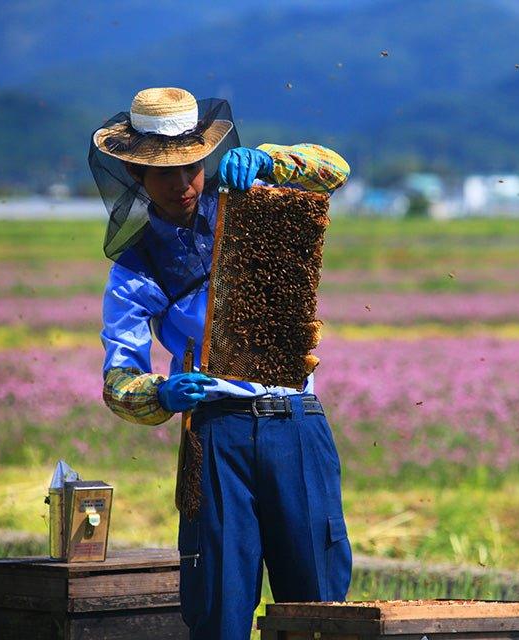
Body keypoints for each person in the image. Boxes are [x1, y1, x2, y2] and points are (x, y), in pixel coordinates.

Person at [88, 87, 352, 639]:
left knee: (321, 605)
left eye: (192, 168)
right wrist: (159, 393)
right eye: (165, 175)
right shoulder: (135, 270)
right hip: (215, 432)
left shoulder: (258, 198)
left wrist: (272, 159)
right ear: (137, 176)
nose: (183, 185)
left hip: (295, 420)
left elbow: (333, 170)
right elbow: (119, 380)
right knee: (219, 603)